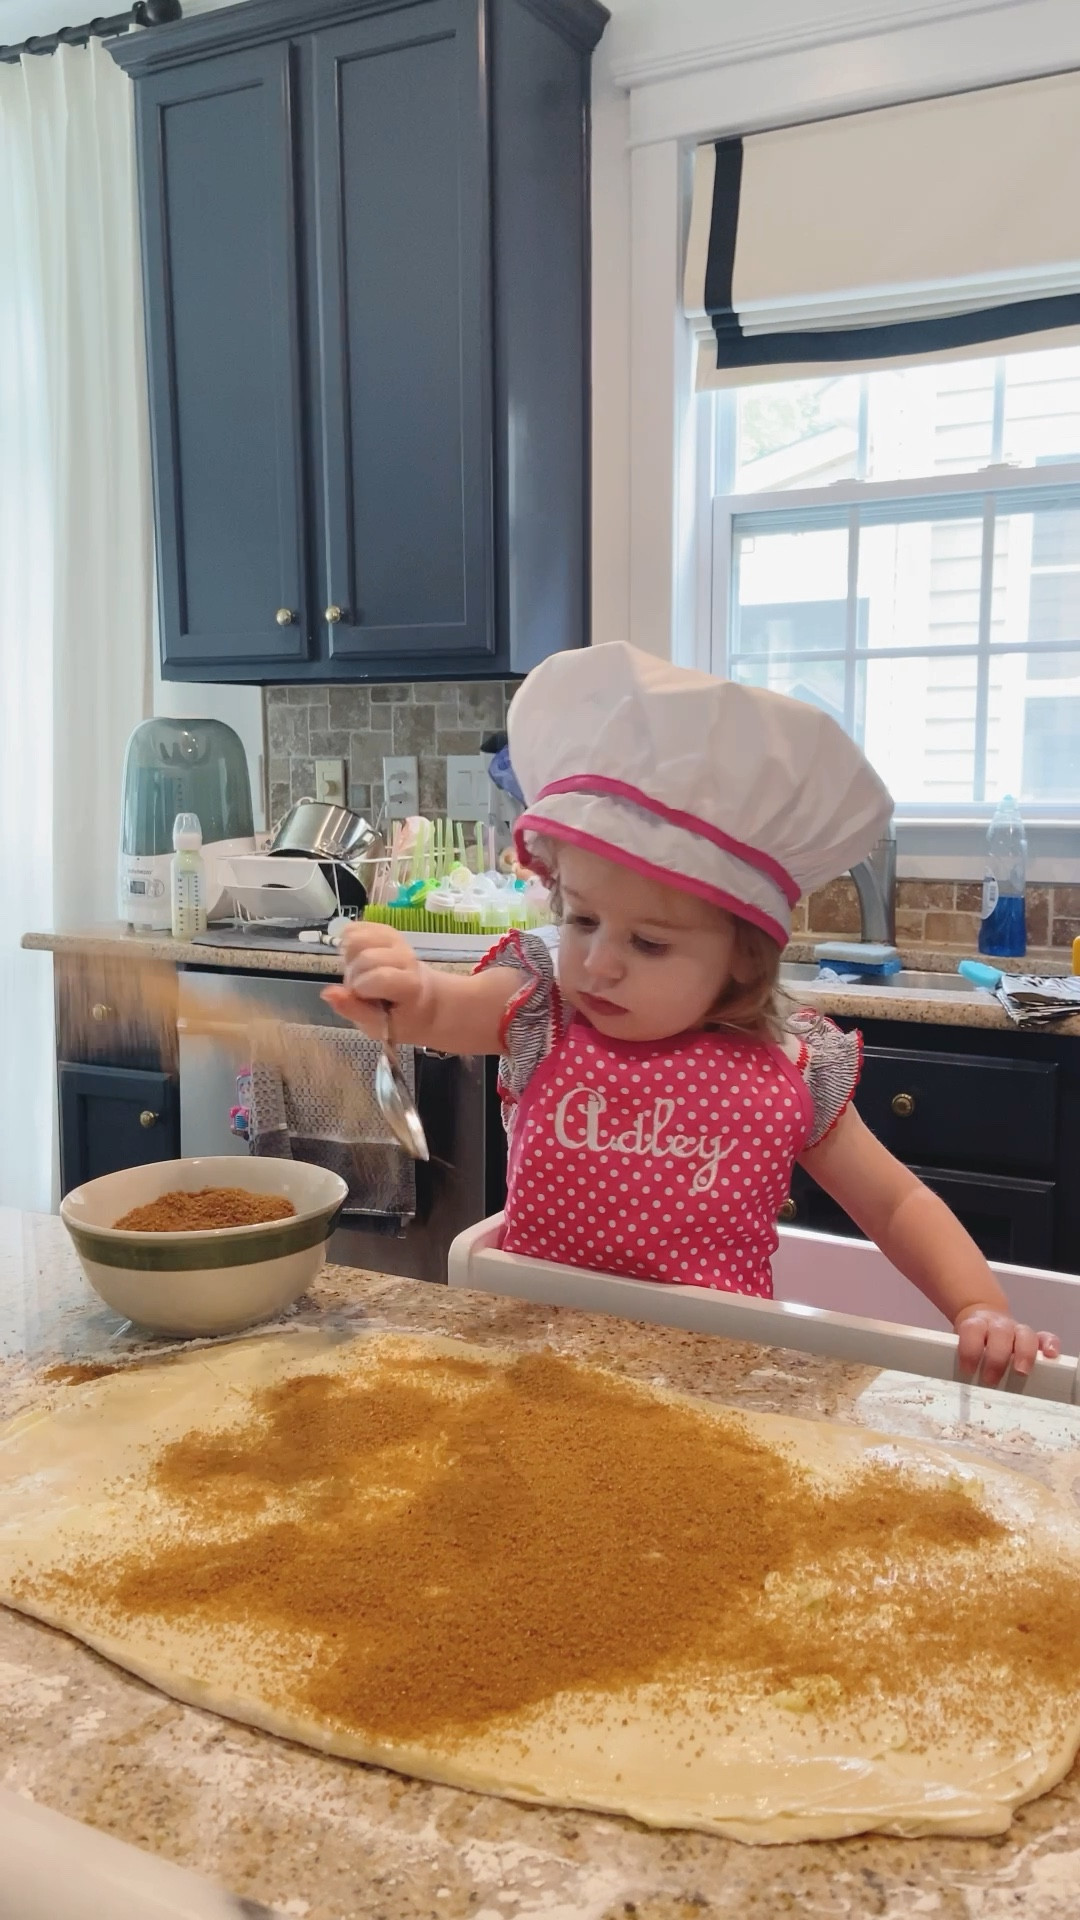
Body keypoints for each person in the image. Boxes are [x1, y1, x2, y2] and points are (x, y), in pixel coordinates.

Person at [325, 643, 1060, 1388]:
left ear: (741, 958)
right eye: (582, 920)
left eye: (648, 942)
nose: (599, 962)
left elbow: (896, 1203)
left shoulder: (792, 1066)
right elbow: (445, 1010)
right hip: (540, 1365)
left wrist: (978, 1305)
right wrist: (410, 995)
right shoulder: (544, 1011)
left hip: (714, 1382)